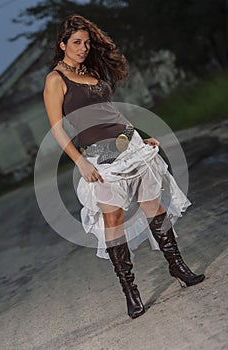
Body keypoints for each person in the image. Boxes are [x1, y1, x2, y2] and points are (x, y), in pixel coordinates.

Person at [43, 14, 205, 319]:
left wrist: (141, 138)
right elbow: (57, 128)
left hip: (129, 145)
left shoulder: (90, 71)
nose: (83, 48)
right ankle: (131, 292)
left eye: (87, 43)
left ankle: (178, 267)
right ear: (62, 44)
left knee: (154, 208)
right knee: (113, 221)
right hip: (99, 158)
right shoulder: (55, 80)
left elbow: (112, 112)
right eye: (76, 42)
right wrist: (79, 162)